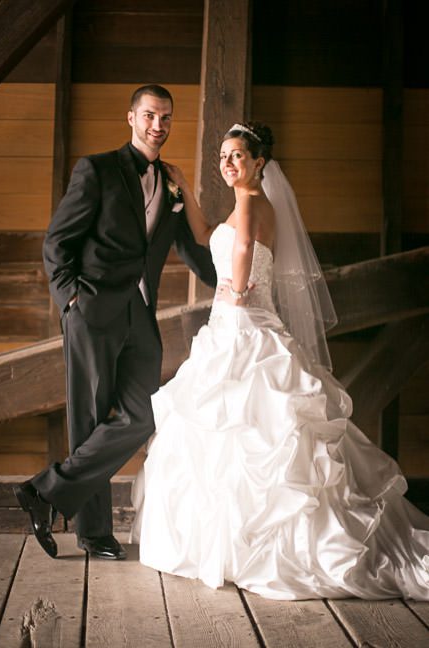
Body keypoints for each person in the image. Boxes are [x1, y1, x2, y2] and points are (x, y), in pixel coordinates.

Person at [131, 121, 429, 599]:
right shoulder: (244, 205)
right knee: (238, 430)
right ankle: (236, 542)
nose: (228, 163)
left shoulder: (251, 202)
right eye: (224, 156)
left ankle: (243, 546)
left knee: (245, 426)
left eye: (237, 156)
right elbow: (210, 235)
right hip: (237, 324)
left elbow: (244, 248)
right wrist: (185, 185)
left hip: (242, 325)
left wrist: (239, 290)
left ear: (259, 163)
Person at [14, 84, 218, 560]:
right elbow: (57, 242)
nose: (158, 126)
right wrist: (71, 301)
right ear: (131, 117)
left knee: (142, 415)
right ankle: (93, 532)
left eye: (166, 118)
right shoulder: (97, 169)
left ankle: (46, 491)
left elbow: (191, 250)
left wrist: (229, 277)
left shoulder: (171, 182)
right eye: (149, 115)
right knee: (88, 418)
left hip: (141, 314)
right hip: (93, 310)